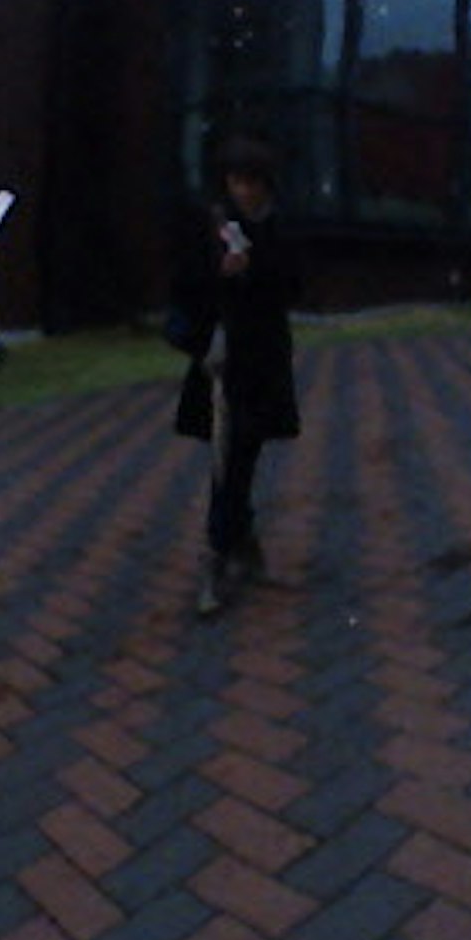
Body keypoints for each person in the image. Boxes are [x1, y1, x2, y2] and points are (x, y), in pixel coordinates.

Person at [170, 140, 299, 615]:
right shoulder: (214, 227)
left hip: (262, 359)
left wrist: (254, 269)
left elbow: (294, 284)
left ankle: (238, 545)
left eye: (251, 182)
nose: (243, 192)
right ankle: (218, 555)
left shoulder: (279, 227)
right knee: (231, 457)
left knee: (243, 453)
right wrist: (220, 272)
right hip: (220, 361)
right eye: (235, 182)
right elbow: (186, 286)